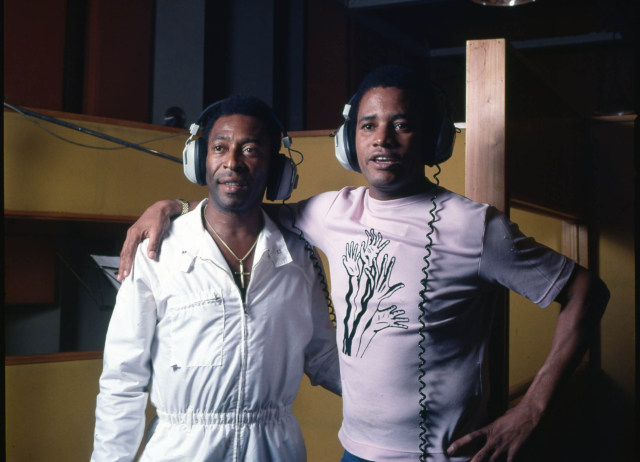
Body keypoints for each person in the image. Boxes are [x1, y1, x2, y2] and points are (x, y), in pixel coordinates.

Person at [118, 67, 609, 462]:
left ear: (432, 139)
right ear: (350, 141)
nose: (383, 139)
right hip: (354, 453)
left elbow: (588, 291)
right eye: (369, 125)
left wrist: (531, 410)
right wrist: (171, 208)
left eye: (401, 124)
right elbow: (238, 206)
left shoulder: (475, 227)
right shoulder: (329, 212)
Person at [92, 95, 341, 462]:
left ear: (275, 167)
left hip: (274, 449)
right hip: (179, 451)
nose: (231, 162)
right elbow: (122, 378)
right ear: (199, 161)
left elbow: (323, 357)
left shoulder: (298, 255)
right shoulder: (158, 251)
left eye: (251, 149)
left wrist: (414, 409)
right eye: (219, 147)